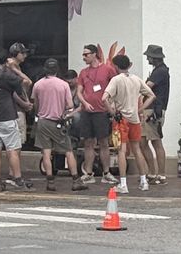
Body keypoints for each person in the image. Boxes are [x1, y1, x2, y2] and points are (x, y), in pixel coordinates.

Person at [0, 44, 33, 191]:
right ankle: (18, 178)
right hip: (7, 117)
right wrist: (15, 69)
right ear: (6, 60)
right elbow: (26, 82)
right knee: (13, 149)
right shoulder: (7, 75)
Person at [104, 54, 156, 193]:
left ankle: (123, 184)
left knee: (121, 150)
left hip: (121, 119)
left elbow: (104, 98)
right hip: (135, 119)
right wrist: (140, 109)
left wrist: (112, 112)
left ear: (116, 66)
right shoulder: (136, 79)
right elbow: (151, 95)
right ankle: (144, 181)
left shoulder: (116, 80)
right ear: (129, 65)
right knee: (137, 149)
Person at [32, 58, 82, 191]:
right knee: (68, 151)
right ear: (57, 70)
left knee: (46, 152)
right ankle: (75, 180)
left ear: (45, 69)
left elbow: (35, 104)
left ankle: (50, 182)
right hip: (58, 122)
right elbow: (70, 105)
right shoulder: (63, 85)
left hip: (42, 122)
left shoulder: (38, 85)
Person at [75, 44, 115, 184]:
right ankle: (88, 173)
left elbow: (115, 86)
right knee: (88, 142)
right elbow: (79, 91)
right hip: (87, 112)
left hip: (102, 111)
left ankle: (106, 172)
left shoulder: (107, 70)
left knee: (103, 142)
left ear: (94, 54)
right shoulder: (83, 72)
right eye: (83, 54)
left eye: (86, 54)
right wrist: (85, 103)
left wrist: (111, 104)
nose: (84, 57)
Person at [143, 45, 171, 184]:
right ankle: (153, 173)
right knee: (144, 141)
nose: (147, 58)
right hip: (152, 110)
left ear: (154, 58)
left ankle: (160, 174)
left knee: (155, 141)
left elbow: (146, 87)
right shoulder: (160, 70)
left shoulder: (159, 71)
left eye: (149, 56)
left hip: (153, 110)